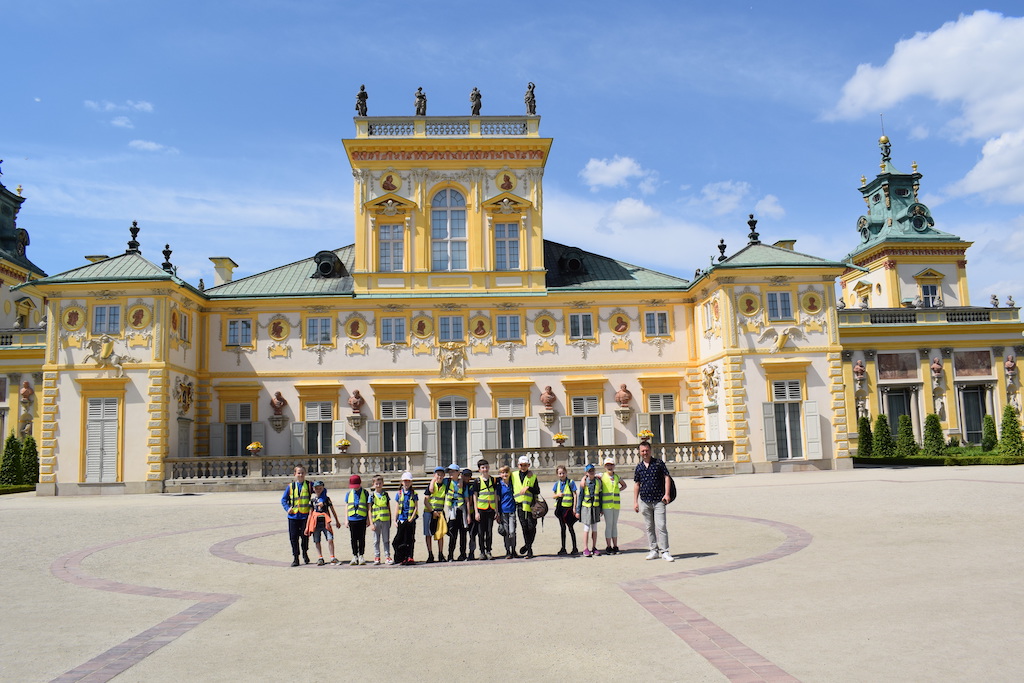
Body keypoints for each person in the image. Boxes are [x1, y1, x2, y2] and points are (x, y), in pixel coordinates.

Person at [633, 442, 674, 562]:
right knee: (649, 527)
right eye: (642, 451)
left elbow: (667, 477)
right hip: (645, 501)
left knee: (661, 526)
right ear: (639, 452)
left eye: (646, 450)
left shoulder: (658, 463)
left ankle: (665, 551)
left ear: (650, 451)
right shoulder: (639, 467)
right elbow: (637, 484)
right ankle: (653, 550)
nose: (645, 453)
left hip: (659, 500)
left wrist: (667, 494)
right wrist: (635, 501)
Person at [281, 466, 313, 567]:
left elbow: (321, 490)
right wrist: (287, 508)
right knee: (293, 538)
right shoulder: (291, 486)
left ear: (305, 473)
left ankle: (305, 552)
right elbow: (283, 499)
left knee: (305, 537)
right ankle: (296, 557)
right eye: (299, 473)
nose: (301, 475)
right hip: (293, 516)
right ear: (295, 474)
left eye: (302, 473)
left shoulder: (309, 485)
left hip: (305, 516)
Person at [305, 481, 340, 565]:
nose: (318, 490)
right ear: (314, 489)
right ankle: (320, 557)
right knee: (317, 540)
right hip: (316, 522)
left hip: (325, 522)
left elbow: (332, 510)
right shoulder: (312, 500)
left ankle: (332, 557)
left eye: (320, 488)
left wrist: (337, 521)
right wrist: (307, 526)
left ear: (323, 488)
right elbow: (310, 514)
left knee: (330, 539)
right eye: (316, 488)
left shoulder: (326, 499)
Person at [511, 455, 540, 558]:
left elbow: (537, 491)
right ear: (518, 465)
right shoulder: (513, 475)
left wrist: (528, 487)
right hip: (519, 504)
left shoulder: (533, 476)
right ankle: (529, 549)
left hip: (530, 505)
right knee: (524, 527)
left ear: (528, 465)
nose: (523, 467)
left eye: (525, 465)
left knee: (532, 526)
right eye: (521, 465)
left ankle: (527, 545)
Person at [472, 460, 499, 560]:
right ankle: (482, 551)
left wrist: (496, 511)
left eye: (486, 467)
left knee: (489, 531)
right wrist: (476, 512)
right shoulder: (477, 481)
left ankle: (488, 550)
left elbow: (495, 495)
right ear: (479, 470)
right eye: (483, 468)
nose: (485, 469)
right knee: (481, 532)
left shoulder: (493, 480)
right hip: (481, 509)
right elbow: (475, 496)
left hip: (491, 508)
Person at [600, 456, 627, 555]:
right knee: (609, 525)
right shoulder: (602, 476)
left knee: (614, 525)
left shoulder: (617, 477)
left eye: (611, 465)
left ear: (614, 466)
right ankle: (608, 546)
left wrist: (618, 490)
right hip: (606, 505)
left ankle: (615, 545)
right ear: (604, 467)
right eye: (607, 465)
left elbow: (624, 485)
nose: (609, 467)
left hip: (615, 504)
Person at [446, 467, 474, 561]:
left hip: (461, 510)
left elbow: (467, 500)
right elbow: (437, 479)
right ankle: (450, 555)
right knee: (452, 534)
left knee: (463, 534)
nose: (450, 473)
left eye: (452, 471)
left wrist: (468, 515)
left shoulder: (464, 485)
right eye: (449, 472)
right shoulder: (447, 482)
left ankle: (463, 554)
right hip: (452, 511)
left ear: (458, 472)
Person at [393, 472, 419, 565]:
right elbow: (397, 507)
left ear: (411, 482)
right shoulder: (399, 494)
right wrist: (395, 519)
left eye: (408, 481)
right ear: (402, 482)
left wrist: (412, 518)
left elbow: (416, 507)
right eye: (405, 481)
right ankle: (402, 557)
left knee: (410, 539)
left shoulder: (414, 494)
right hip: (401, 519)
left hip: (410, 520)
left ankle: (410, 556)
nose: (406, 483)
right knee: (400, 539)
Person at [344, 475, 371, 565]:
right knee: (353, 538)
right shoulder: (349, 493)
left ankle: (361, 555)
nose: (355, 488)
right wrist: (346, 519)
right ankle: (354, 555)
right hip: (352, 518)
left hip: (362, 518)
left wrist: (368, 519)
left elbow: (368, 507)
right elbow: (346, 506)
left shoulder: (365, 493)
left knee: (362, 538)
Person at [552, 465, 578, 556]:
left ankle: (574, 547)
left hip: (568, 508)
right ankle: (563, 547)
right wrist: (558, 495)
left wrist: (575, 507)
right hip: (560, 508)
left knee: (570, 527)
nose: (562, 475)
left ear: (566, 473)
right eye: (560, 473)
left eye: (563, 473)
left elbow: (575, 494)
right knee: (562, 528)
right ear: (557, 474)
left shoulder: (570, 482)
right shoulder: (557, 484)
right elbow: (553, 495)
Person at [576, 464, 601, 557]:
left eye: (592, 471)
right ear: (586, 473)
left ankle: (594, 547)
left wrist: (601, 508)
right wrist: (578, 510)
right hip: (586, 507)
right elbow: (580, 496)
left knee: (594, 528)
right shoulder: (584, 482)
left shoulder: (598, 481)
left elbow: (600, 495)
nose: (591, 473)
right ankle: (585, 548)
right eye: (589, 471)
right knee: (586, 528)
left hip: (595, 507)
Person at [425, 466, 448, 563]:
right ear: (434, 475)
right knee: (428, 534)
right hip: (429, 511)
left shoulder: (445, 485)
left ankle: (440, 553)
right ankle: (430, 554)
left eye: (441, 475)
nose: (440, 477)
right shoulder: (431, 486)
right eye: (438, 474)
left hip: (440, 512)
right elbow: (425, 501)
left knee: (440, 533)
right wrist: (432, 511)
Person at [369, 475, 393, 565]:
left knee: (386, 539)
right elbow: (369, 510)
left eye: (380, 483)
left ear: (382, 483)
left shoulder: (385, 495)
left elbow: (388, 507)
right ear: (373, 484)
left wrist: (390, 519)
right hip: (376, 520)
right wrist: (371, 523)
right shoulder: (372, 496)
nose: (378, 485)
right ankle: (377, 556)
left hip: (385, 520)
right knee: (376, 540)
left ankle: (387, 556)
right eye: (376, 484)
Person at [497, 465, 518, 559]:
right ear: (500, 474)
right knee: (506, 532)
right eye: (502, 473)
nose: (504, 474)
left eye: (506, 472)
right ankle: (508, 551)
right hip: (503, 510)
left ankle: (513, 549)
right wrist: (497, 512)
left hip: (512, 510)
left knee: (512, 531)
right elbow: (497, 498)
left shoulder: (512, 483)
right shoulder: (499, 485)